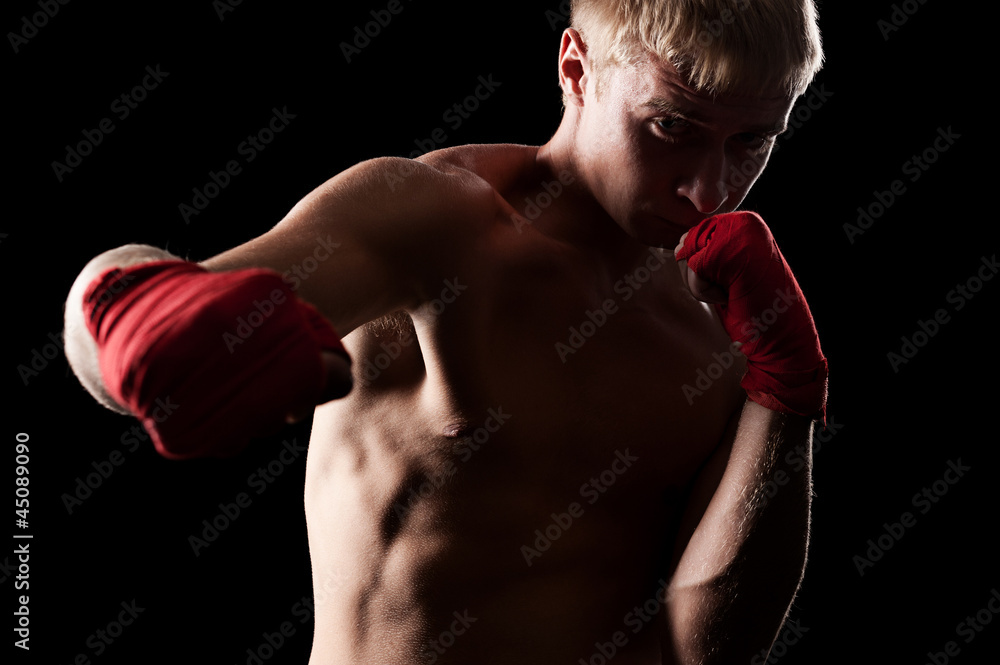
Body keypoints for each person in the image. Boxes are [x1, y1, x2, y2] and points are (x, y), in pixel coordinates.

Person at [63, 0, 829, 662]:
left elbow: (711, 648)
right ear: (576, 68)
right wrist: (124, 307)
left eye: (751, 142)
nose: (710, 186)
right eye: (671, 125)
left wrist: (788, 392)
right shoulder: (438, 224)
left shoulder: (728, 316)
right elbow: (121, 324)